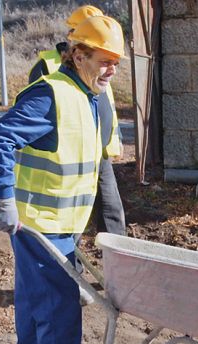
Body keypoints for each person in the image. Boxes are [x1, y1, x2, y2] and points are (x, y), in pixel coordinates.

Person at [0, 15, 127, 344]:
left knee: (35, 304)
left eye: (116, 61)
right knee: (60, 312)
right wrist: (4, 199)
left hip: (57, 225)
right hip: (40, 226)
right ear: (78, 55)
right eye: (104, 59)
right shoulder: (51, 95)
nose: (112, 69)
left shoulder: (86, 95)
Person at [29, 5, 126, 237]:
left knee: (111, 210)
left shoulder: (101, 60)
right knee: (72, 216)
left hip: (98, 151)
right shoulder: (49, 66)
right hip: (69, 155)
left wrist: (116, 138)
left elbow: (106, 105)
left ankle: (118, 260)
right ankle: (72, 257)